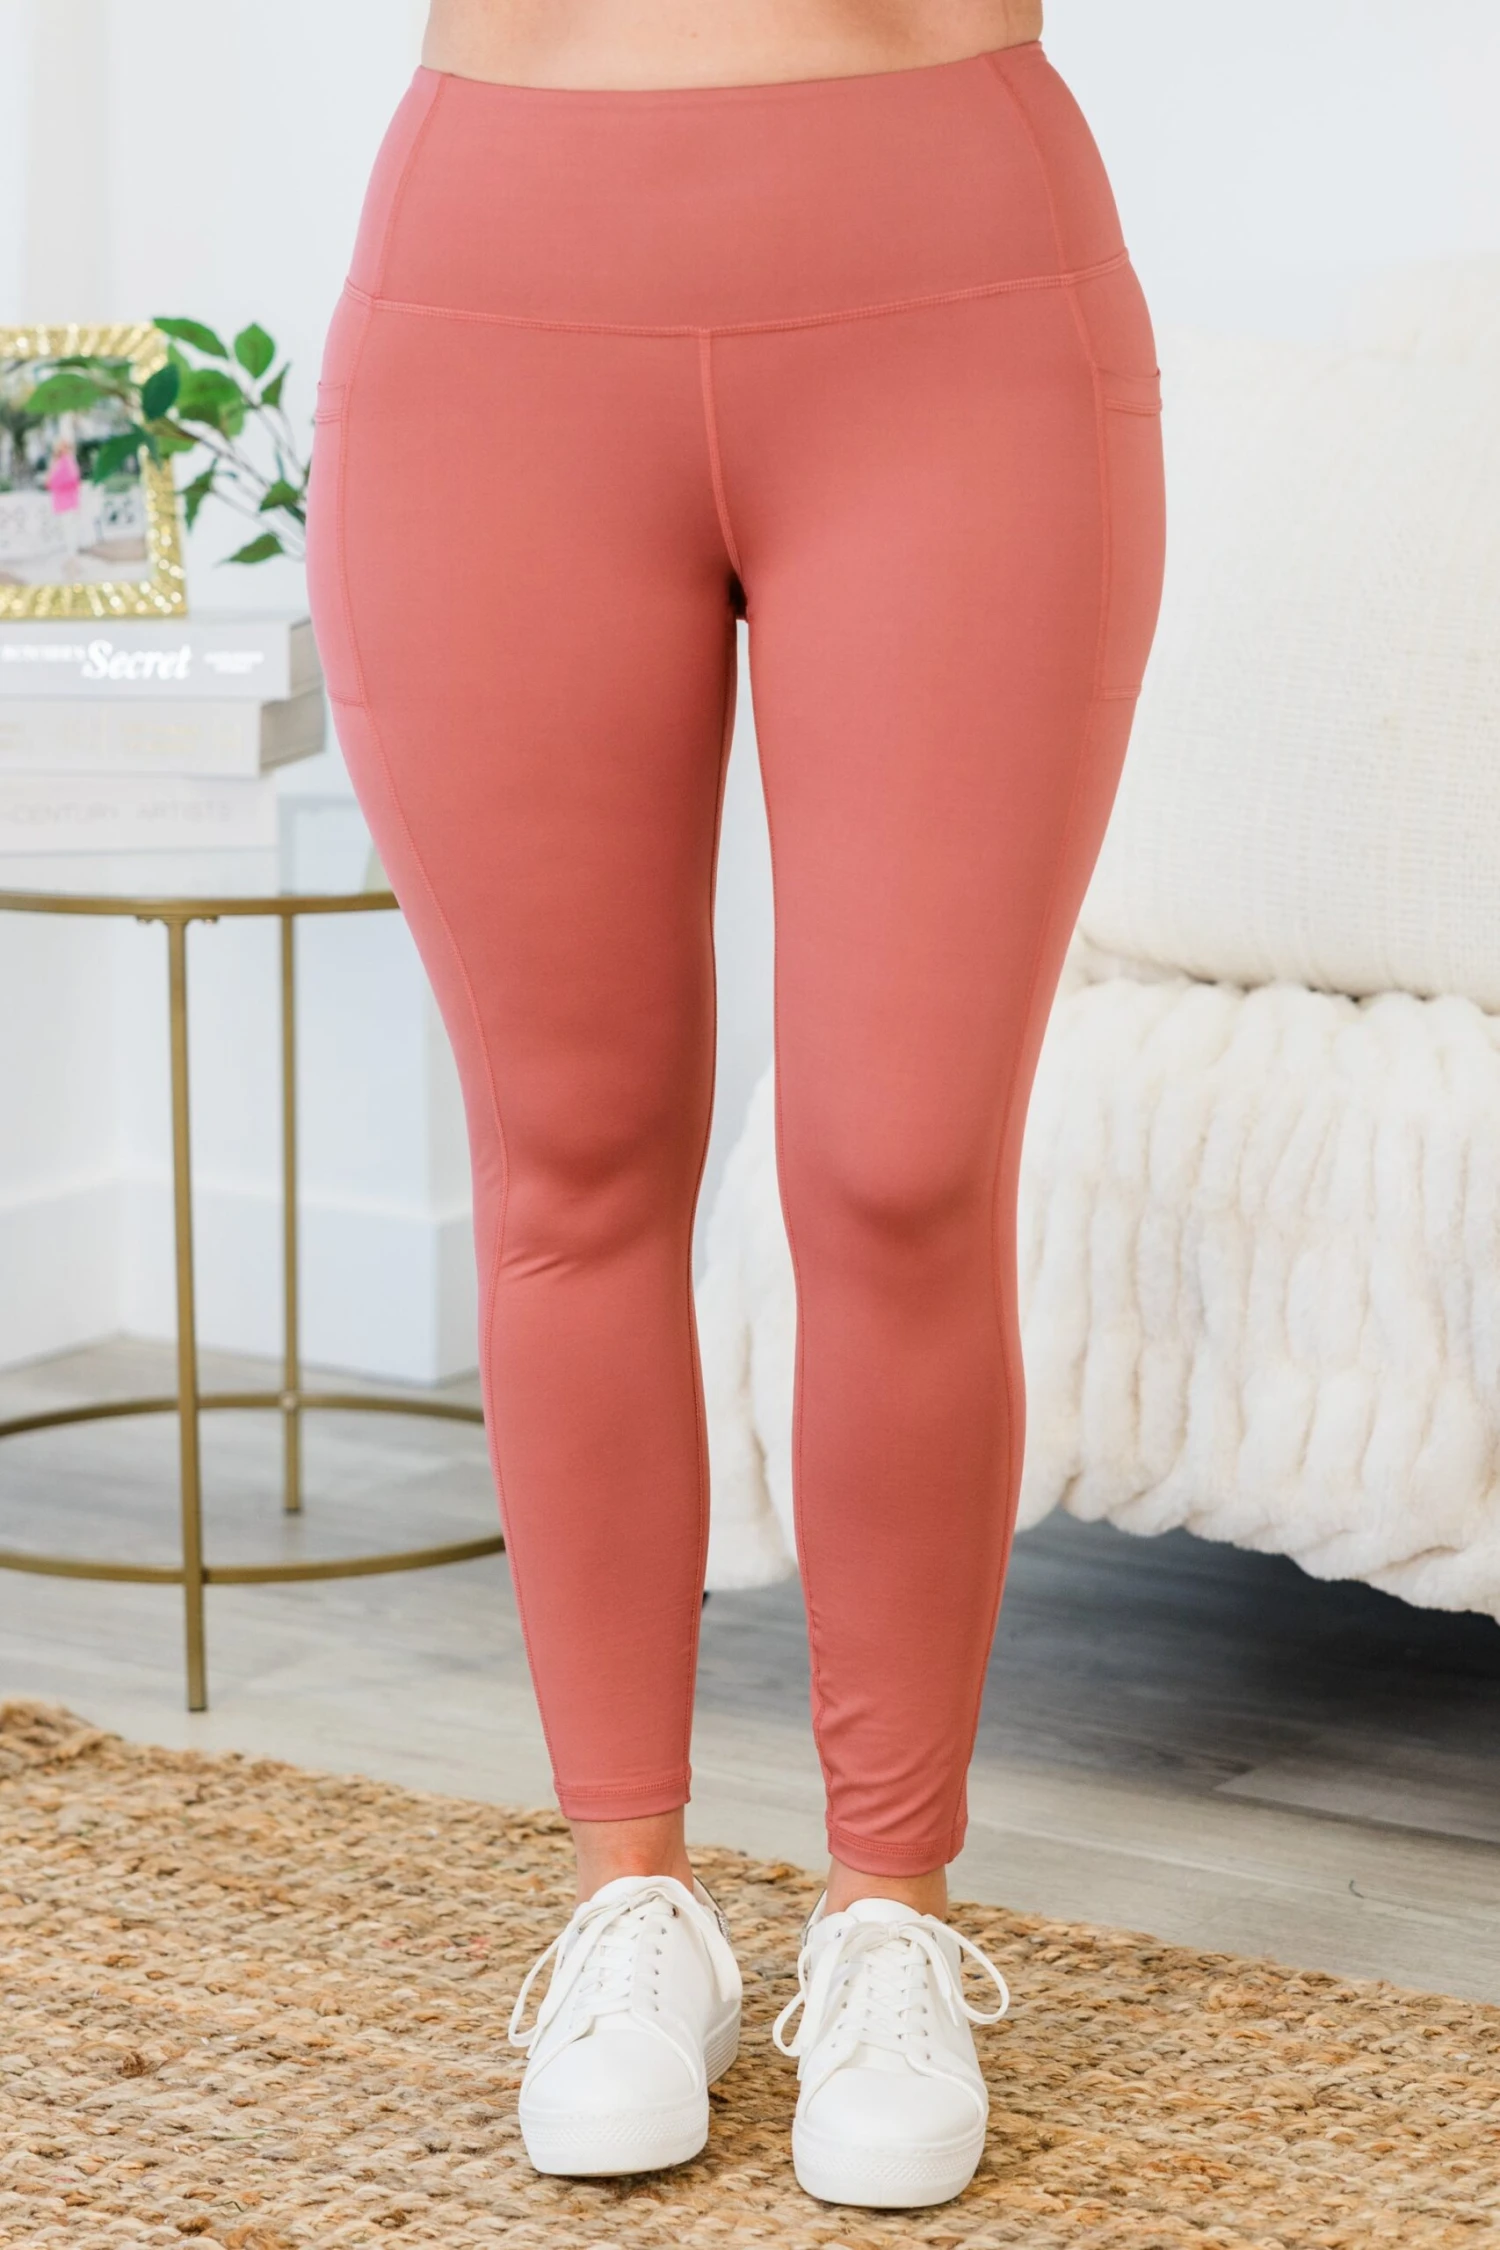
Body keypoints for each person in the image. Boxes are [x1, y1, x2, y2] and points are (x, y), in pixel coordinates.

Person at [306, 0, 1165, 2209]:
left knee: (901, 1166)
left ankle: (890, 1912)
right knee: (574, 1155)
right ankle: (633, 1905)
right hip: (494, 304)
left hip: (954, 291)